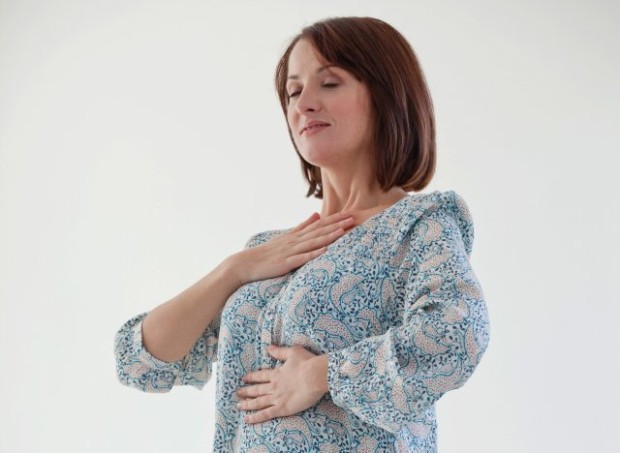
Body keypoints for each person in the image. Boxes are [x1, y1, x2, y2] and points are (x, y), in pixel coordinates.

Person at [114, 16, 490, 452]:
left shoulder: (419, 224)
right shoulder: (269, 252)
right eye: (294, 91)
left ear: (386, 95)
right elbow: (139, 362)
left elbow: (457, 334)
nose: (304, 103)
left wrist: (321, 375)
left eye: (329, 83)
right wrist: (235, 270)